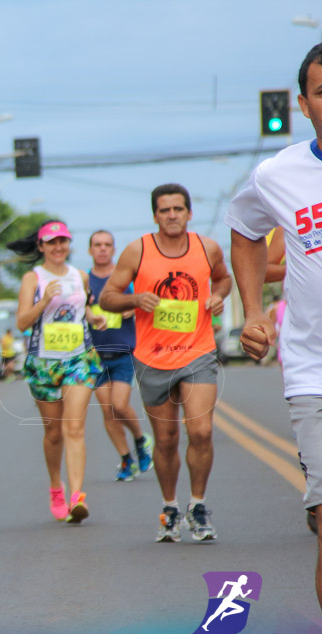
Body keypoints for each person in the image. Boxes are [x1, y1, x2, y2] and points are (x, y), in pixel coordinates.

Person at [227, 38, 322, 634]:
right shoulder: (278, 175)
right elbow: (245, 232)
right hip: (318, 372)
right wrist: (251, 312)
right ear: (304, 103)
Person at [100, 183, 231, 543]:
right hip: (152, 357)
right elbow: (107, 297)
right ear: (155, 215)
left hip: (197, 351)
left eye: (178, 209)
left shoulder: (207, 248)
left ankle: (198, 505)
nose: (171, 215)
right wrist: (134, 299)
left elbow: (223, 279)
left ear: (189, 212)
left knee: (201, 431)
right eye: (164, 210)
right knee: (167, 438)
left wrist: (218, 297)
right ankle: (170, 507)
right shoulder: (137, 251)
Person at [11, 221, 102, 524]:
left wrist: (94, 318)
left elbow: (84, 309)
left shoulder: (81, 276)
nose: (58, 247)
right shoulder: (32, 279)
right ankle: (56, 487)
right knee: (53, 433)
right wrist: (44, 301)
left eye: (63, 241)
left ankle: (77, 496)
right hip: (43, 363)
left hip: (79, 360)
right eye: (51, 242)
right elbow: (22, 323)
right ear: (41, 247)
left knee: (73, 428)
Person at [87, 230, 154, 482]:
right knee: (108, 412)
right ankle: (126, 460)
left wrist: (133, 307)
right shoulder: (86, 281)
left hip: (124, 351)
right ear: (90, 250)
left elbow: (148, 303)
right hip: (96, 355)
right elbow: (78, 308)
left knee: (119, 404)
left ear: (114, 250)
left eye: (107, 245)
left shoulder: (125, 279)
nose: (102, 249)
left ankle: (140, 439)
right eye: (97, 245)